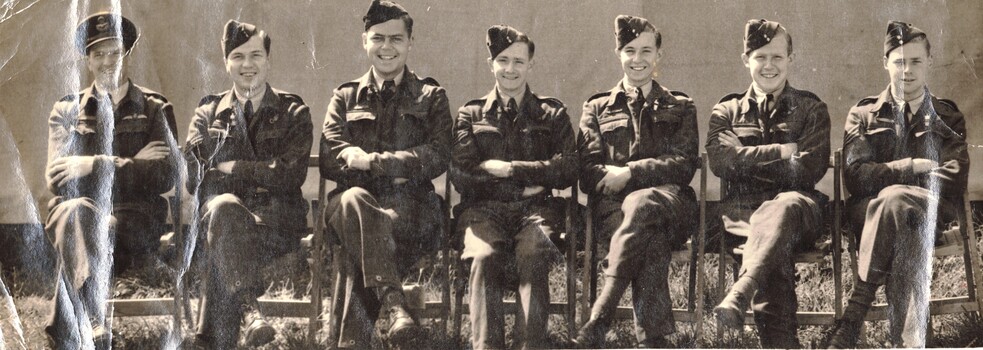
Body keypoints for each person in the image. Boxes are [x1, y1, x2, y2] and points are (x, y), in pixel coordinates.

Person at [828, 21, 969, 348]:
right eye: (899, 61)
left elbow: (956, 175)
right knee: (899, 213)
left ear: (929, 62)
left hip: (928, 213)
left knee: (896, 201)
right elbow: (855, 176)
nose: (907, 71)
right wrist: (912, 166)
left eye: (916, 61)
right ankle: (910, 342)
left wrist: (895, 182)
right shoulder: (863, 115)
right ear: (885, 62)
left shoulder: (947, 115)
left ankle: (854, 313)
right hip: (872, 218)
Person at [319, 0, 452, 347]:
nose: (386, 48)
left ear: (410, 43)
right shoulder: (345, 96)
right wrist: (401, 168)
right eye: (378, 38)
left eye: (396, 39)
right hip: (353, 205)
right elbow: (331, 155)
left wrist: (373, 163)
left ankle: (348, 343)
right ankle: (395, 305)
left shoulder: (432, 96)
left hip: (410, 209)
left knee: (357, 242)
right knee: (355, 202)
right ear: (365, 41)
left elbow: (437, 155)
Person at [44, 12, 179, 349]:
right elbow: (58, 179)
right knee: (78, 213)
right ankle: (93, 322)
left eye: (115, 52)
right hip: (78, 216)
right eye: (98, 54)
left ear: (127, 55)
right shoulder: (67, 110)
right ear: (87, 60)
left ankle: (71, 331)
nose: (108, 61)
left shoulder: (154, 109)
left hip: (134, 223)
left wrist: (92, 164)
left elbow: (165, 176)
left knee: (82, 223)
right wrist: (132, 165)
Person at [183, 20, 313, 348]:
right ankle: (250, 312)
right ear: (226, 63)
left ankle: (211, 340)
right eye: (238, 56)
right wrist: (256, 170)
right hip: (224, 221)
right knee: (224, 212)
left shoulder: (293, 110)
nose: (247, 65)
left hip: (276, 226)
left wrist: (230, 166)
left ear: (268, 60)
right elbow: (193, 176)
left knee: (222, 233)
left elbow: (290, 174)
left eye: (256, 55)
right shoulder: (208, 111)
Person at [573, 15, 699, 348]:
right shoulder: (597, 107)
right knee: (649, 238)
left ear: (659, 55)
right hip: (613, 210)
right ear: (619, 54)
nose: (638, 59)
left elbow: (684, 165)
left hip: (671, 206)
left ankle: (600, 316)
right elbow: (587, 171)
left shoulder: (681, 106)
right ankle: (652, 341)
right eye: (630, 51)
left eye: (646, 51)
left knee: (642, 203)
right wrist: (623, 180)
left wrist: (630, 173)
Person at [706, 19, 831, 348]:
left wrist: (744, 158)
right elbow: (720, 163)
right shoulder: (726, 111)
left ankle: (741, 292)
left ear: (791, 57)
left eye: (777, 57)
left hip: (800, 209)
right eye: (760, 57)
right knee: (770, 244)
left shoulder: (811, 109)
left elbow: (810, 169)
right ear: (745, 59)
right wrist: (783, 151)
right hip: (743, 216)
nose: (769, 66)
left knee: (784, 208)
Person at [451, 25, 577, 349]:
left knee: (534, 252)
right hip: (481, 214)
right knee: (483, 253)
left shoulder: (552, 113)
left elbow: (568, 168)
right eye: (503, 60)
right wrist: (525, 186)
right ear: (490, 62)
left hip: (536, 214)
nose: (510, 69)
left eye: (519, 62)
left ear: (531, 64)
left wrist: (510, 169)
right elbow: (462, 175)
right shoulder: (470, 113)